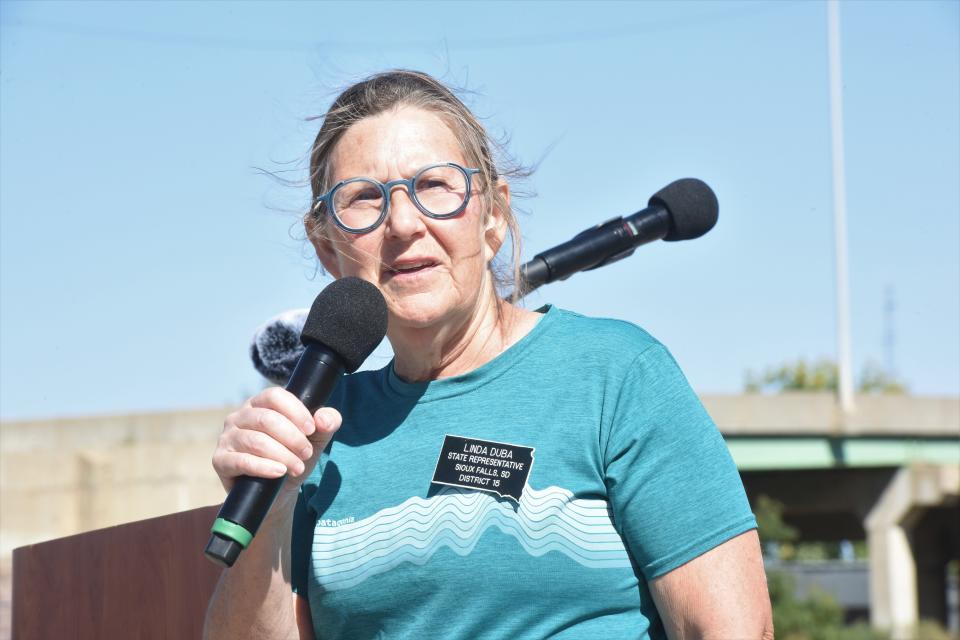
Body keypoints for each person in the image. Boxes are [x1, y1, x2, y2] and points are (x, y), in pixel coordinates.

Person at [205, 70, 773, 640]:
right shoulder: (314, 431)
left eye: (434, 186)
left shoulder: (616, 373)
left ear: (494, 215)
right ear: (328, 247)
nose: (403, 223)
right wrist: (273, 510)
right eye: (362, 199)